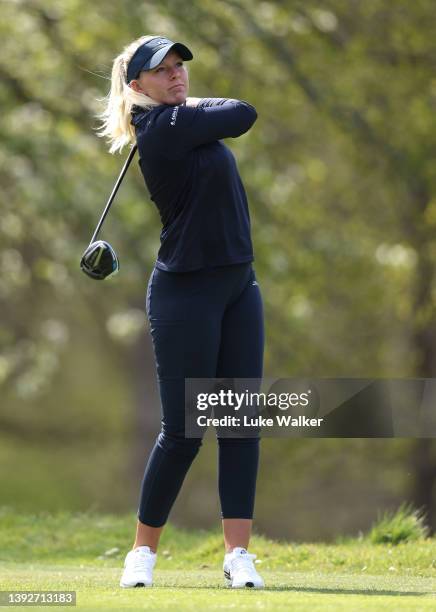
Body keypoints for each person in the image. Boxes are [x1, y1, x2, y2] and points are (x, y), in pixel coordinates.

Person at [97, 34, 265, 589]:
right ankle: (142, 553)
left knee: (240, 424)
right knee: (183, 432)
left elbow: (233, 115)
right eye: (162, 71)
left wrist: (176, 100)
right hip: (185, 295)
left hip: (240, 285)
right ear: (136, 85)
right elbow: (242, 112)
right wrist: (178, 105)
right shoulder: (163, 129)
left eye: (180, 68)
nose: (177, 76)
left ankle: (238, 556)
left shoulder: (176, 119)